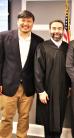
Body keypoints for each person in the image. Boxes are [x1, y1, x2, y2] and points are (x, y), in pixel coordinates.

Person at [0, 10, 43, 138]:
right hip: (8, 85)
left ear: (33, 23)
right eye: (23, 20)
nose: (26, 23)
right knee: (6, 117)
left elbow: (38, 66)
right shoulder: (3, 36)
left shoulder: (38, 41)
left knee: (24, 117)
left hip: (28, 86)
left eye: (29, 21)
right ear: (18, 21)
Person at [34, 19, 70, 138]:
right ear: (50, 30)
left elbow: (72, 70)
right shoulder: (42, 47)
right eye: (54, 28)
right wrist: (41, 91)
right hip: (47, 90)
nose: (56, 31)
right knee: (48, 121)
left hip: (63, 90)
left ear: (63, 30)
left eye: (59, 28)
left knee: (59, 118)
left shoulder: (68, 48)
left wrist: (70, 87)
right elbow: (37, 70)